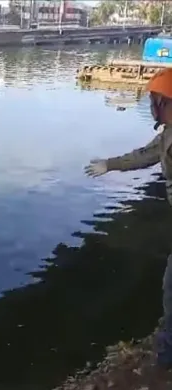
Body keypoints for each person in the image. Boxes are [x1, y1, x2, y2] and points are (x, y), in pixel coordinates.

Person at [84, 68, 172, 369]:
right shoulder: (168, 137)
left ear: (166, 103)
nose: (150, 106)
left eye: (154, 100)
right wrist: (110, 164)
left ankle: (166, 355)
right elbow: (144, 155)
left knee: (171, 287)